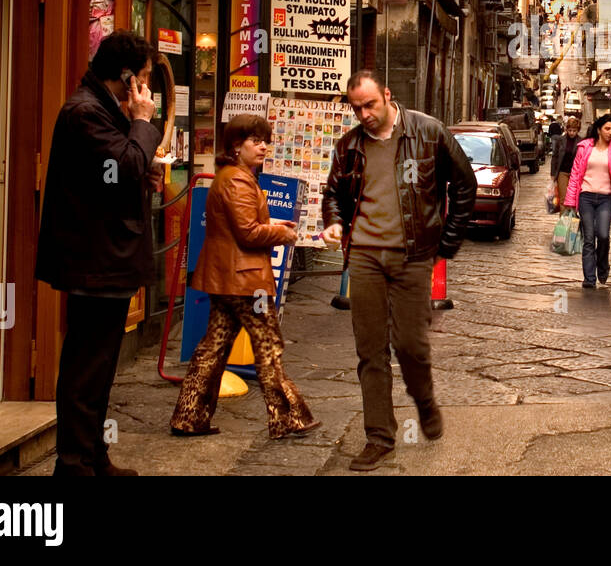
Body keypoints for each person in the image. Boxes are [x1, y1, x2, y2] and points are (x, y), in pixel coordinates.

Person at [321, 71, 477, 472]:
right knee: (370, 349)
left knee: (409, 344)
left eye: (370, 104)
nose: (364, 114)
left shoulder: (429, 132)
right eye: (356, 108)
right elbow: (333, 194)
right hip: (365, 257)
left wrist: (448, 241)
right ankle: (379, 437)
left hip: (412, 256)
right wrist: (336, 222)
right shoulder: (350, 145)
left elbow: (465, 184)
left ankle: (425, 402)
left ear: (387, 95)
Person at [36, 30, 163, 476]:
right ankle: (74, 465)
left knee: (99, 367)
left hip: (105, 256)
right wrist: (143, 124)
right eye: (144, 79)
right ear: (127, 78)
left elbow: (116, 173)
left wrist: (141, 170)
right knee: (86, 369)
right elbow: (125, 164)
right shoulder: (85, 112)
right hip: (95, 259)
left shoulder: (102, 109)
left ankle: (92, 456)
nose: (147, 90)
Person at [170, 115, 319, 439]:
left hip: (227, 280)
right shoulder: (237, 180)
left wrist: (276, 229)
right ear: (237, 146)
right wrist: (281, 233)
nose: (264, 146)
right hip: (246, 282)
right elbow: (248, 233)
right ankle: (288, 417)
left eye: (265, 139)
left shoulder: (230, 176)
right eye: (255, 140)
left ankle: (189, 416)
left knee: (213, 347)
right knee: (268, 346)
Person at [563, 114, 611, 288]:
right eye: (607, 128)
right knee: (589, 238)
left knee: (603, 235)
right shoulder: (584, 147)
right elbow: (575, 175)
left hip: (605, 198)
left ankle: (603, 266)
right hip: (586, 197)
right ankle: (589, 279)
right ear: (599, 129)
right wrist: (569, 202)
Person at [550, 116, 582, 208]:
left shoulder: (580, 142)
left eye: (574, 130)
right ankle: (564, 222)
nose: (572, 133)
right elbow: (555, 156)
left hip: (575, 174)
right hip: (562, 172)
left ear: (577, 130)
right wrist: (552, 174)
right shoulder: (561, 140)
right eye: (570, 130)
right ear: (566, 129)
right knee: (563, 200)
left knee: (573, 199)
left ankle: (572, 221)